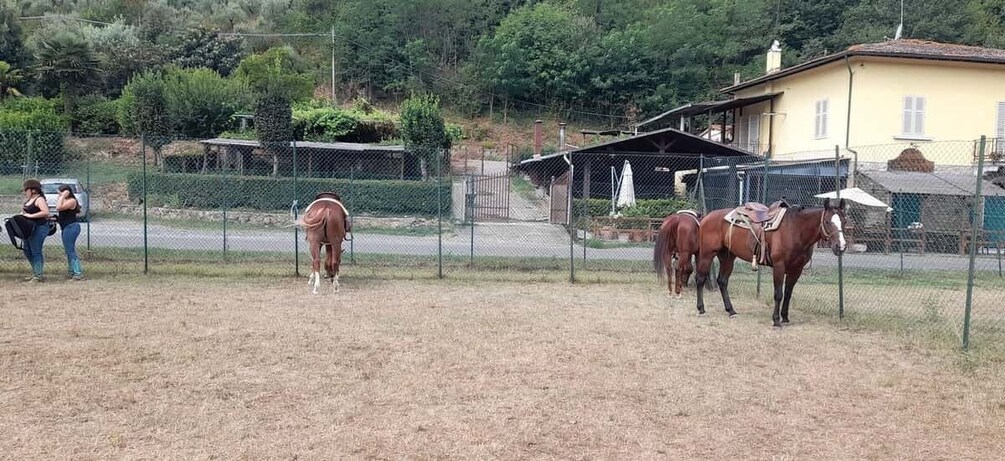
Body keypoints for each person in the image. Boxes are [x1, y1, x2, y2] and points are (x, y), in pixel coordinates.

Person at [20, 179, 50, 282]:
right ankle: (36, 272)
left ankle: (38, 275)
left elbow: (45, 212)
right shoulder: (29, 200)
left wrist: (31, 216)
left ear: (32, 190)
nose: (25, 192)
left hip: (39, 227)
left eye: (26, 190)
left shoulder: (39, 199)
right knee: (27, 251)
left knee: (36, 251)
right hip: (29, 229)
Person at [55, 184, 84, 281]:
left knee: (71, 251)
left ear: (66, 192)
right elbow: (62, 214)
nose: (59, 195)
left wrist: (62, 196)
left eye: (60, 193)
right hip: (65, 227)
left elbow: (59, 207)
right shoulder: (65, 200)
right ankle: (71, 271)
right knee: (68, 251)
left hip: (71, 227)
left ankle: (77, 273)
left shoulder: (72, 201)